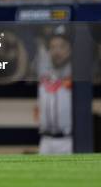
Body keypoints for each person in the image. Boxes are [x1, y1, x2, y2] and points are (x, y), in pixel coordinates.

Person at [36, 26, 72, 154]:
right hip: (45, 140)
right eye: (53, 47)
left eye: (62, 47)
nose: (57, 51)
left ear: (70, 49)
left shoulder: (76, 70)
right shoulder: (43, 68)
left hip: (69, 140)